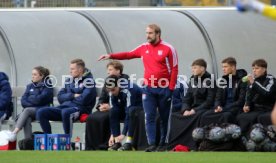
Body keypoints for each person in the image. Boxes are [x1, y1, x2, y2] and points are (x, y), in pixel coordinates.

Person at [98, 24, 178, 152]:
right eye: (146, 33)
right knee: (149, 116)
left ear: (158, 34)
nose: (148, 35)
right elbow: (128, 54)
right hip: (148, 88)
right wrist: (111, 56)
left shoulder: (169, 48)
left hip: (164, 88)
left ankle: (163, 144)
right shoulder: (144, 47)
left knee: (164, 118)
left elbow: (174, 68)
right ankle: (152, 144)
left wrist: (171, 88)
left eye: (150, 33)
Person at [36, 59, 97, 136]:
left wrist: (68, 98)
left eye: (72, 69)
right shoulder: (69, 81)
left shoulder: (89, 82)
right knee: (41, 112)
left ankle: (67, 140)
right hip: (64, 107)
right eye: (70, 69)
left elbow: (84, 100)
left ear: (80, 69)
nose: (70, 71)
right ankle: (48, 138)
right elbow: (60, 97)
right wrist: (72, 95)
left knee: (66, 112)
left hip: (80, 110)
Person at [168, 59, 216, 151]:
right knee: (174, 116)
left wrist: (194, 110)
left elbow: (209, 101)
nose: (192, 70)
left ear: (202, 69)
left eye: (195, 68)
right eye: (192, 68)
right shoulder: (193, 80)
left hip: (204, 108)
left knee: (196, 116)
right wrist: (185, 109)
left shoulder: (210, 81)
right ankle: (175, 144)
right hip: (191, 109)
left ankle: (192, 145)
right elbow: (187, 98)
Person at [85, 61, 129, 150]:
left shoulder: (125, 80)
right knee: (91, 118)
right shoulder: (108, 80)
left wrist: (111, 107)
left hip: (119, 109)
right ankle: (91, 146)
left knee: (106, 117)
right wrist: (100, 106)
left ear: (118, 70)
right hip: (107, 108)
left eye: (110, 69)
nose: (108, 72)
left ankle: (107, 144)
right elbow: (103, 97)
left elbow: (124, 100)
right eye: (108, 70)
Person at [200, 57, 247, 126]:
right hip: (223, 108)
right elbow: (217, 97)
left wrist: (224, 108)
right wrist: (217, 106)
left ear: (233, 67)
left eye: (225, 67)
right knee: (205, 115)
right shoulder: (223, 80)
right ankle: (206, 134)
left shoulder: (242, 80)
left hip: (236, 108)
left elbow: (241, 101)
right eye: (222, 67)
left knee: (226, 115)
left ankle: (227, 135)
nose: (223, 69)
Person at [12, 66, 53, 139]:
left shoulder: (48, 85)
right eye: (32, 74)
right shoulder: (29, 86)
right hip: (31, 111)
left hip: (42, 110)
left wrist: (30, 99)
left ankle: (15, 132)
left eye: (35, 74)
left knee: (26, 110)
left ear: (42, 76)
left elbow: (40, 99)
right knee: (27, 118)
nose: (32, 76)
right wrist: (34, 100)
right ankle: (28, 141)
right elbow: (23, 101)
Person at [237, 59, 276, 134]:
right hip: (256, 108)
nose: (254, 70)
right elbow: (249, 94)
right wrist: (247, 105)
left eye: (257, 68)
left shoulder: (271, 80)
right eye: (253, 68)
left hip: (268, 108)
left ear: (264, 69)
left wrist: (254, 83)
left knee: (253, 118)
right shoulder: (254, 81)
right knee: (240, 116)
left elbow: (266, 93)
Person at [104, 75, 143, 151]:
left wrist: (123, 134)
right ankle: (117, 142)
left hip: (139, 109)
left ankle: (129, 142)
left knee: (131, 111)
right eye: (109, 90)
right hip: (127, 109)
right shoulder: (111, 92)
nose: (111, 92)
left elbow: (128, 112)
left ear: (119, 85)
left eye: (113, 90)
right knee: (113, 111)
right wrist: (113, 134)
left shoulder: (129, 90)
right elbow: (114, 109)